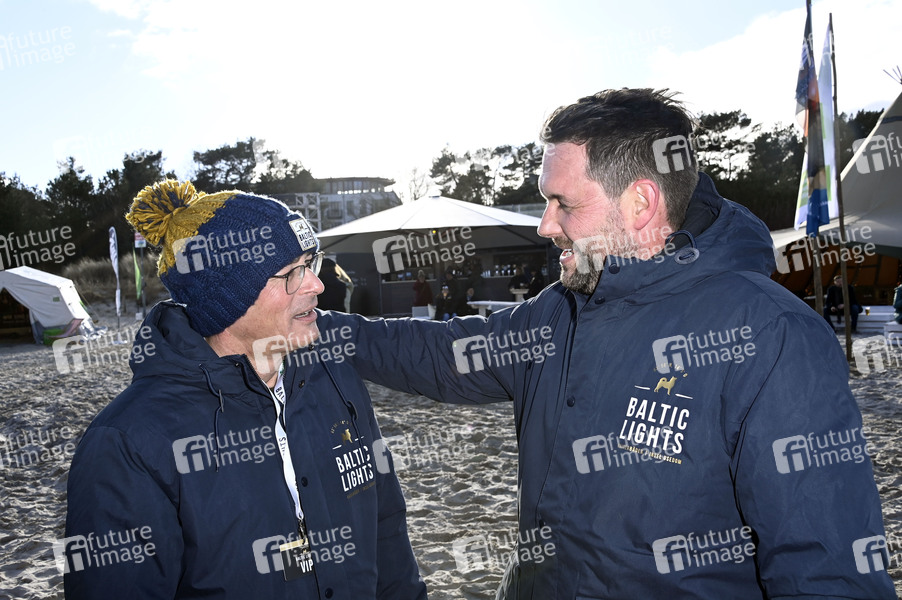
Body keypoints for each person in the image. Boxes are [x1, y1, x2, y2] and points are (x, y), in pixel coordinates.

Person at [319, 89, 895, 599]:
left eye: (564, 204)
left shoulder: (772, 335)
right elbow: (441, 354)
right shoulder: (561, 309)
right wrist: (315, 328)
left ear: (641, 204)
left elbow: (825, 570)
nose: (545, 225)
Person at [63, 180, 427, 599]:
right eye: (292, 272)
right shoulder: (128, 444)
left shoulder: (332, 379)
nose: (316, 284)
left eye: (311, 262)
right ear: (228, 300)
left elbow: (385, 528)